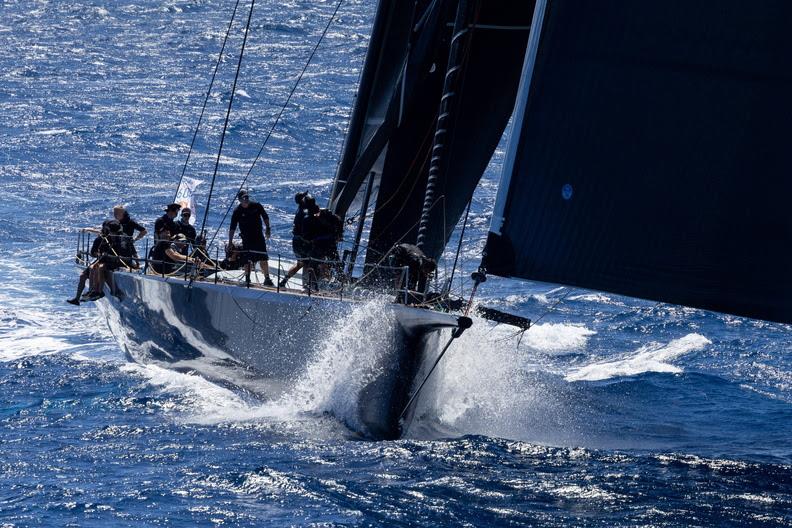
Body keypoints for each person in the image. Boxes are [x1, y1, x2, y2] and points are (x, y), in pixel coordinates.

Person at [67, 221, 129, 305]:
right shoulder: (101, 239)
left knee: (99, 268)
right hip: (101, 259)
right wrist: (98, 254)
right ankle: (78, 298)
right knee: (83, 275)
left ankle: (97, 291)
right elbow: (93, 252)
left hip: (109, 262)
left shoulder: (119, 238)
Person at [228, 190, 274, 286]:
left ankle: (267, 278)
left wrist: (268, 228)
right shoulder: (237, 211)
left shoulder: (256, 206)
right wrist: (230, 242)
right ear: (239, 200)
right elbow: (232, 227)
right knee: (247, 259)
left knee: (263, 258)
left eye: (247, 197)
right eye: (244, 198)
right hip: (246, 238)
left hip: (258, 237)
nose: (246, 199)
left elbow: (265, 216)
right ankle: (247, 279)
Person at [279, 192, 318, 288]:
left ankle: (284, 281)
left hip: (296, 241)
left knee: (300, 263)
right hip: (303, 242)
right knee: (306, 263)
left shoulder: (300, 209)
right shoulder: (305, 213)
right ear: (301, 200)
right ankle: (305, 286)